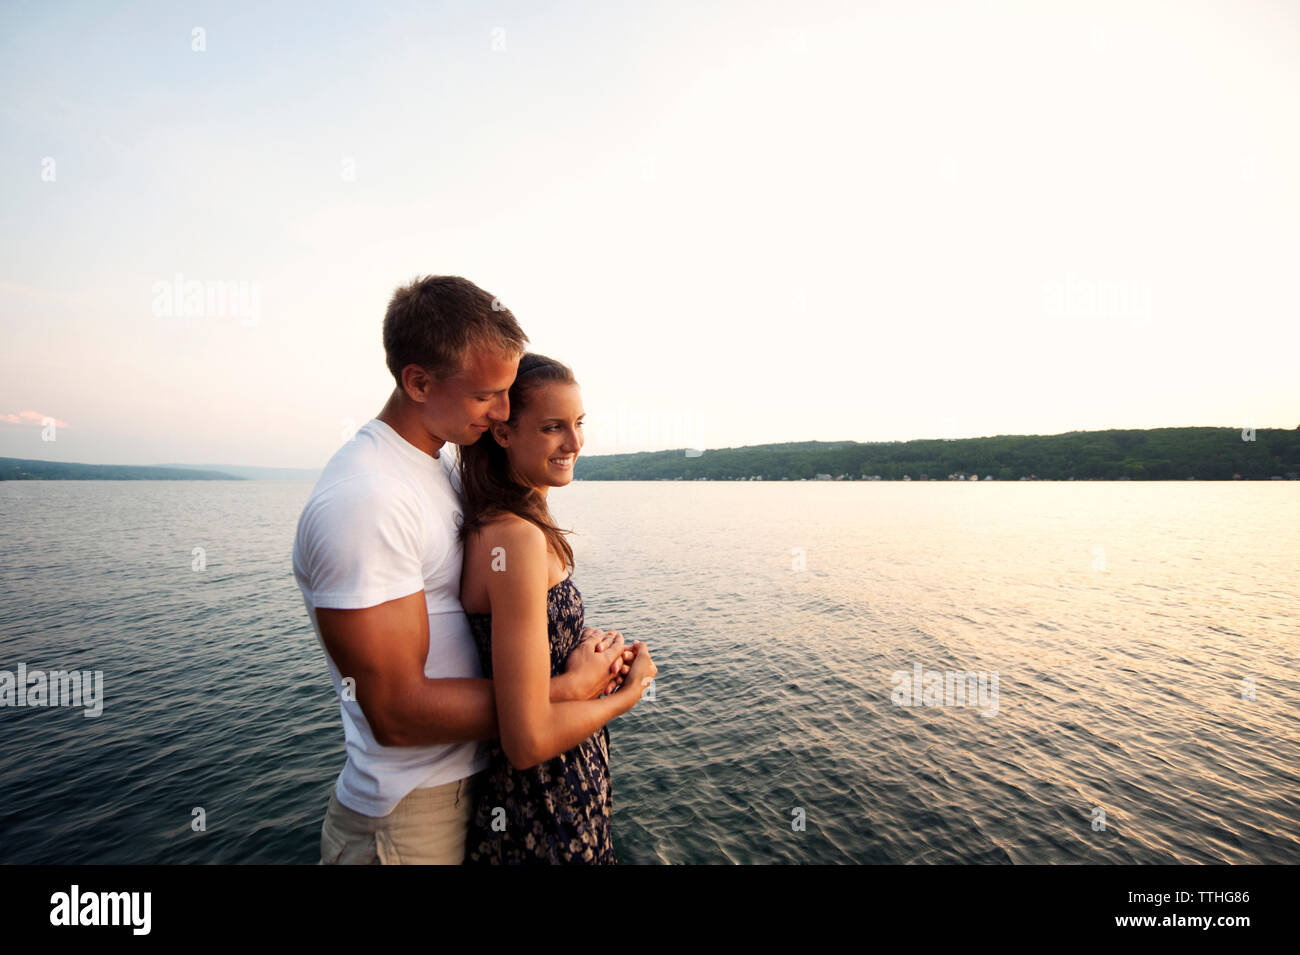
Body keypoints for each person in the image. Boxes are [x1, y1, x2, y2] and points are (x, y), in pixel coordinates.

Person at [292, 276, 631, 864]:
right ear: (418, 382)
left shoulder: (439, 470)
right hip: (408, 819)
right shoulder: (366, 497)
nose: (503, 411)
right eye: (487, 396)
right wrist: (569, 690)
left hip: (471, 793)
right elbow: (395, 713)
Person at [457, 353, 658, 864]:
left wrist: (583, 650)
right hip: (544, 811)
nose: (575, 443)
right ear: (503, 434)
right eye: (552, 428)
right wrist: (626, 694)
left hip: (561, 798)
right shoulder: (515, 538)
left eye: (578, 424)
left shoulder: (520, 528)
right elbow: (526, 740)